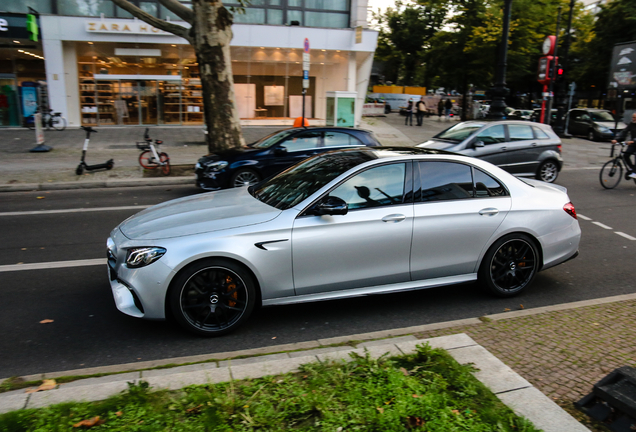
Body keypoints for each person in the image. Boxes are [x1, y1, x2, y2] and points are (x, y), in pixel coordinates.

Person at [612, 112, 636, 178]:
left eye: (635, 117)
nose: (633, 119)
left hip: (633, 142)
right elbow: (624, 131)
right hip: (633, 143)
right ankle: (632, 168)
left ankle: (635, 172)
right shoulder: (631, 124)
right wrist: (616, 139)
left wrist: (633, 141)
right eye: (633, 117)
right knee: (626, 155)